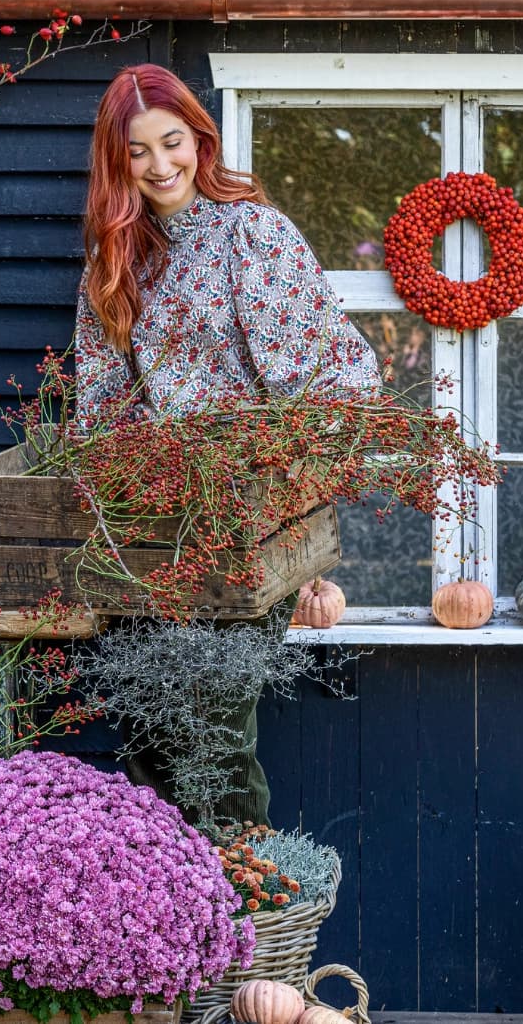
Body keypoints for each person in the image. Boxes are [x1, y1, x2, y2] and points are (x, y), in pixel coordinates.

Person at [72, 63, 381, 827]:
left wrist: (299, 511)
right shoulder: (115, 261)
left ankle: (243, 892)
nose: (159, 165)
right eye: (137, 152)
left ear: (200, 140)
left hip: (249, 523)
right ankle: (163, 896)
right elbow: (102, 407)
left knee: (214, 737)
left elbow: (327, 382)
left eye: (171, 141)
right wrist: (116, 487)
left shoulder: (251, 234)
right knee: (148, 734)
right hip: (152, 532)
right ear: (116, 163)